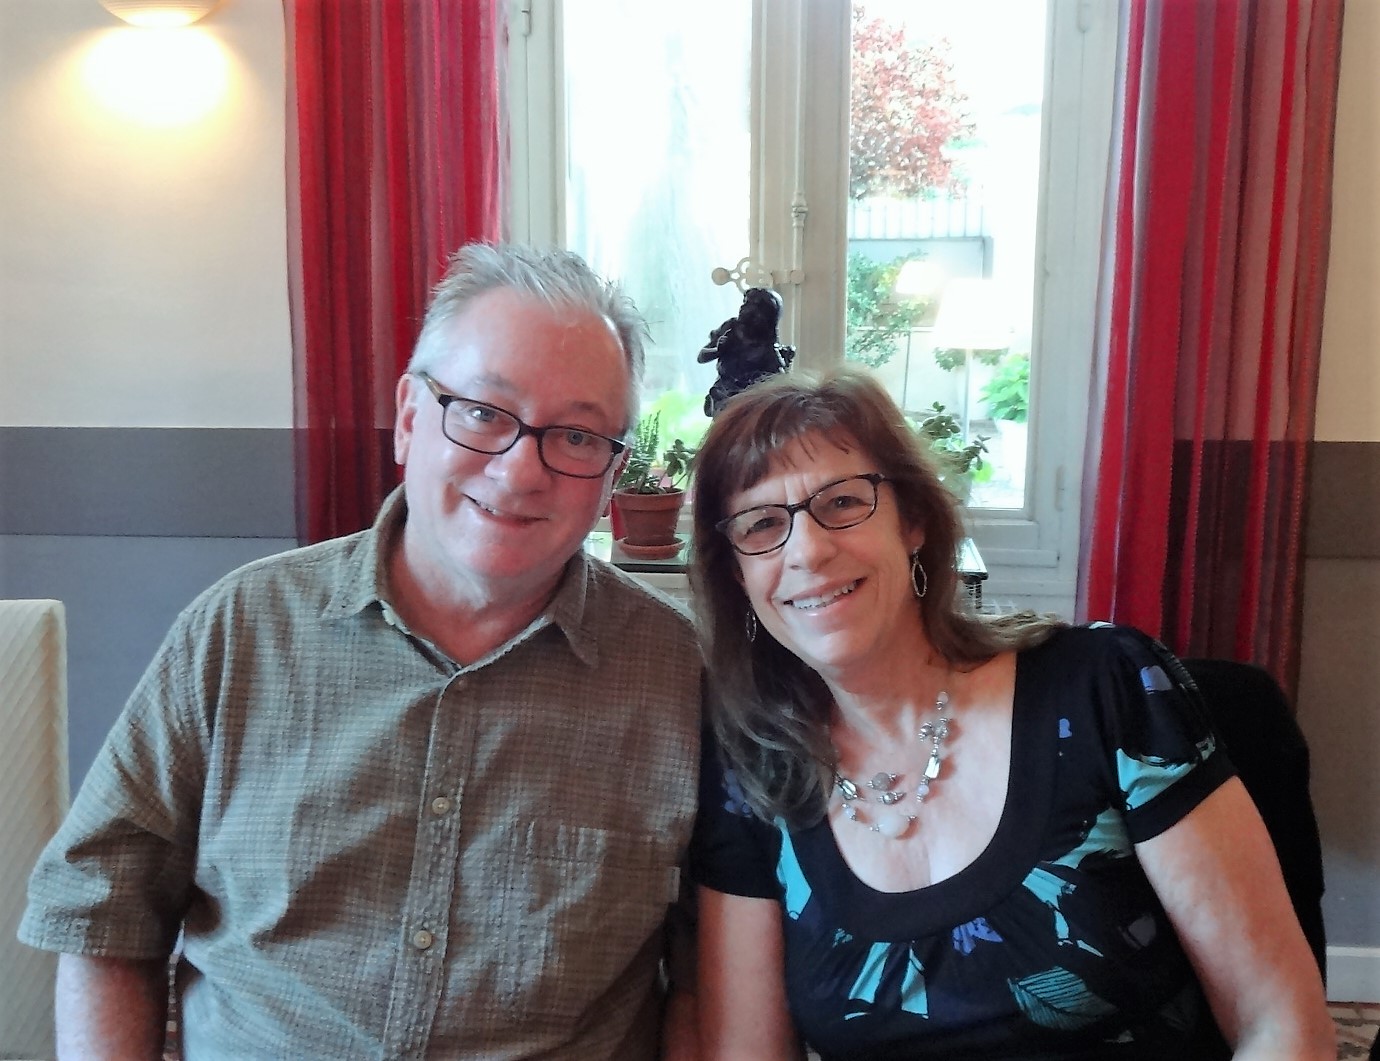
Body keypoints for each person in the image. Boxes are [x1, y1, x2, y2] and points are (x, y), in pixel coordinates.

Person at [21, 243, 703, 1059]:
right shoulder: (241, 630)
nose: (521, 470)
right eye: (483, 412)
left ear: (613, 472)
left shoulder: (679, 678)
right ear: (411, 417)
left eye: (578, 435)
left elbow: (708, 979)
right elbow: (102, 912)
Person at [686, 367, 1334, 1060]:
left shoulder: (1106, 690)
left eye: (843, 502)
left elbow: (1279, 1021)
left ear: (914, 521)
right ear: (737, 574)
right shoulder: (754, 773)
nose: (808, 550)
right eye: (762, 523)